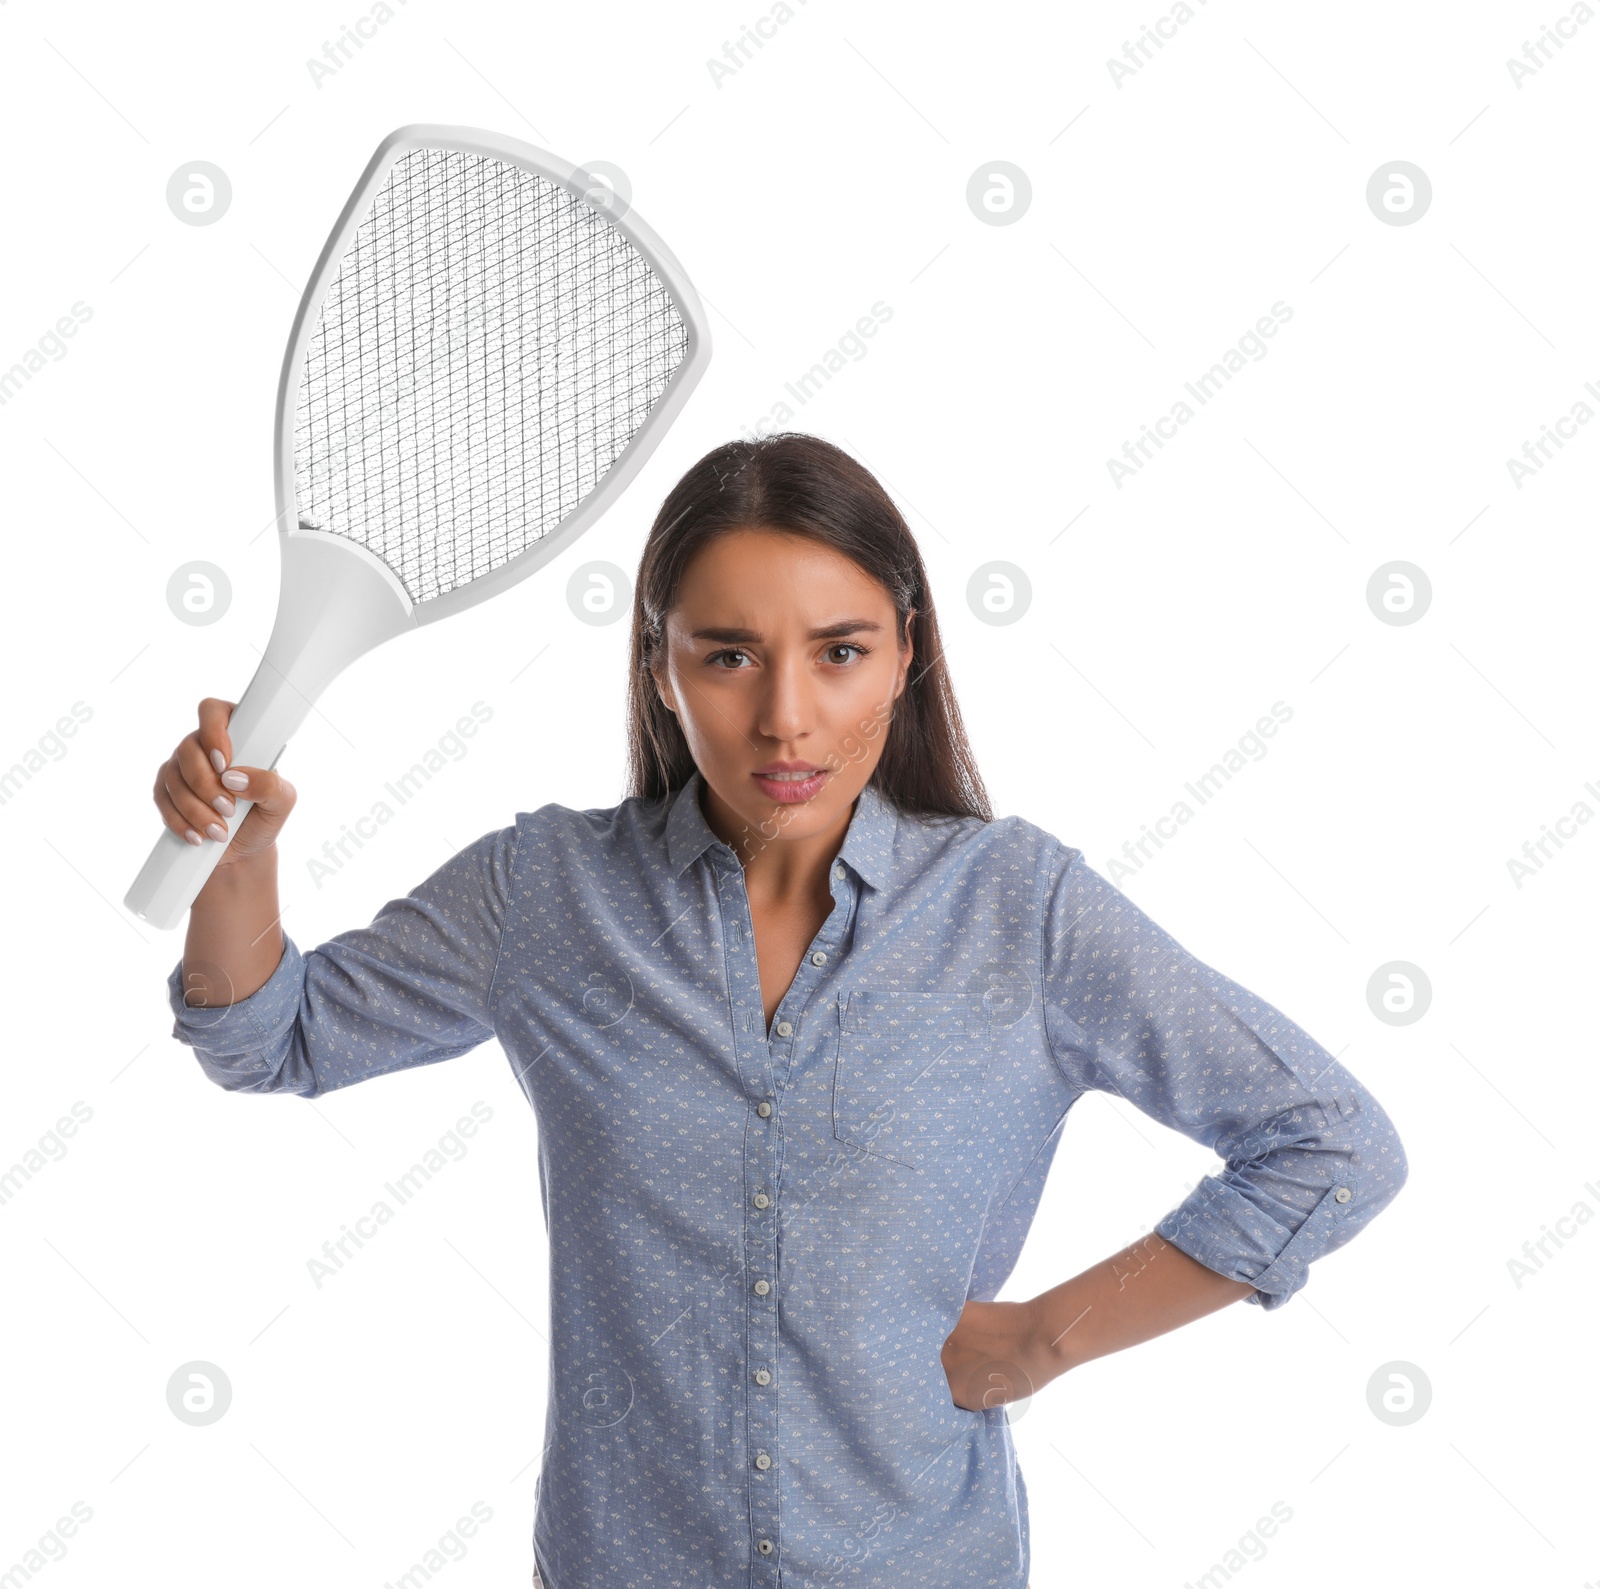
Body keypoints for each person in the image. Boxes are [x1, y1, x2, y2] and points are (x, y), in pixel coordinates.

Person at [155, 433, 1407, 1589]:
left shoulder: (1019, 909)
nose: (786, 715)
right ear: (660, 669)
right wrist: (239, 856)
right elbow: (272, 1035)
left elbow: (1329, 1144)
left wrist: (1040, 1336)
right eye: (729, 654)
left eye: (840, 649)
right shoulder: (545, 893)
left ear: (906, 655)